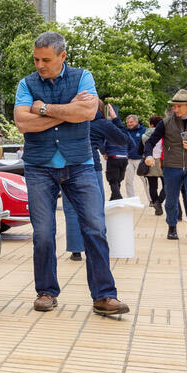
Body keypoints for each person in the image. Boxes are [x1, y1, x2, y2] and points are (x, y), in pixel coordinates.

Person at [14, 30, 128, 316]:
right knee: (43, 233)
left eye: (46, 60)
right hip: (39, 166)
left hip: (80, 165)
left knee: (95, 228)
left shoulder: (83, 77)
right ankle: (46, 292)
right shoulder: (26, 84)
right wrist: (67, 112)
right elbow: (22, 122)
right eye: (37, 59)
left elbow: (88, 113)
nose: (40, 65)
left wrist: (44, 110)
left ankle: (104, 296)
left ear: (62, 56)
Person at [61, 101, 130, 261]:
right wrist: (115, 119)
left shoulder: (69, 119)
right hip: (91, 167)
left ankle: (76, 250)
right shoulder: (101, 123)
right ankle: (97, 249)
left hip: (67, 165)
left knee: (71, 209)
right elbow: (123, 139)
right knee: (95, 210)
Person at [143, 89, 187, 244]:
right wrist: (148, 155)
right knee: (172, 200)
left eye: (179, 106)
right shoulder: (165, 123)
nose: (175, 109)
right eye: (174, 106)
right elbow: (150, 142)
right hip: (171, 167)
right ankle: (172, 227)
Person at [141, 116, 166, 215]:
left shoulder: (144, 136)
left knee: (152, 186)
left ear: (151, 124)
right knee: (167, 185)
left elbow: (140, 150)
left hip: (149, 161)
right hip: (162, 161)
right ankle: (158, 202)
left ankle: (157, 207)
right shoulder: (165, 134)